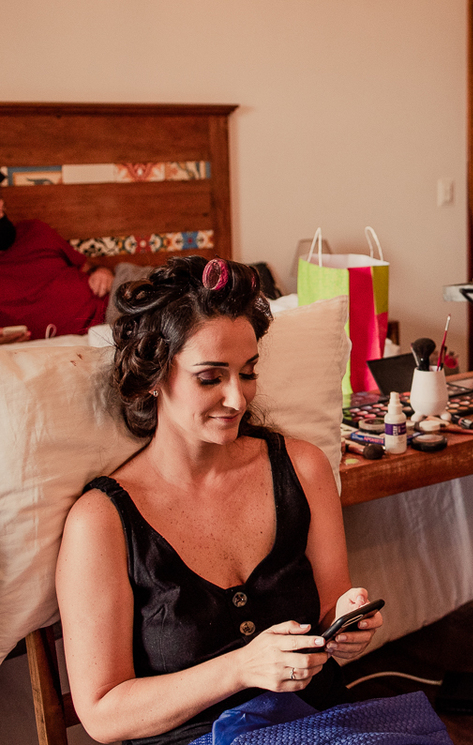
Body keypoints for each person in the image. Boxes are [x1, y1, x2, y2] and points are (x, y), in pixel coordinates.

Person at [55, 256, 382, 745]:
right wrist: (241, 667)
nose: (237, 399)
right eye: (210, 378)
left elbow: (330, 612)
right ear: (153, 377)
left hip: (320, 726)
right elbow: (103, 714)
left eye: (247, 373)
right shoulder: (102, 522)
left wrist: (346, 625)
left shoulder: (302, 468)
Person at [0, 198, 114, 339]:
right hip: (99, 331)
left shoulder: (35, 230)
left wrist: (102, 271)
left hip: (113, 300)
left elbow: (87, 266)